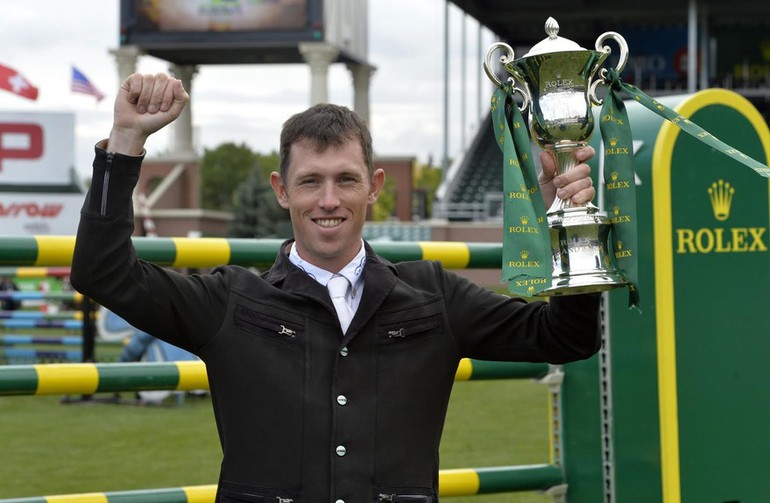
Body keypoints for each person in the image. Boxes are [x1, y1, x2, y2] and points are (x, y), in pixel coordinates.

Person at [71, 73, 601, 503]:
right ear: (282, 190)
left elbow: (564, 338)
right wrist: (125, 142)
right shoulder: (230, 303)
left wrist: (570, 228)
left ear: (374, 186)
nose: (328, 200)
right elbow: (103, 273)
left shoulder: (433, 297)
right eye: (310, 181)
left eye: (346, 179)